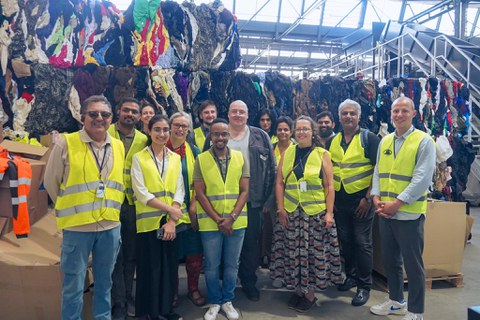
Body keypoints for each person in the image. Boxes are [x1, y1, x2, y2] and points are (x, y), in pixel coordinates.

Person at [44, 95, 125, 319]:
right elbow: (51, 183)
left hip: (109, 227)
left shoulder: (117, 146)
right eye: (93, 114)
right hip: (78, 228)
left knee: (104, 285)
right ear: (83, 117)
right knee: (73, 287)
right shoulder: (66, 143)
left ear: (111, 118)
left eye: (105, 114)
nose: (99, 118)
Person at [370, 96, 435, 320]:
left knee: (413, 265)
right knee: (391, 261)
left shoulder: (424, 141)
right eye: (396, 111)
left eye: (404, 111)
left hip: (409, 213)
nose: (399, 115)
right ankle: (396, 301)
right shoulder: (385, 141)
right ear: (390, 113)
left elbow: (422, 178)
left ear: (414, 114)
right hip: (385, 213)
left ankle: (416, 311)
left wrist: (397, 203)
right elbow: (379, 171)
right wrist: (375, 196)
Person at [272, 115, 343, 313]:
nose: (302, 132)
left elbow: (329, 186)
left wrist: (329, 213)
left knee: (313, 254)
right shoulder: (287, 153)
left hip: (315, 215)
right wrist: (280, 208)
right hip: (291, 213)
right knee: (292, 252)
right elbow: (279, 182)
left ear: (313, 132)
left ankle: (310, 293)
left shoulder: (322, 154)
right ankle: (298, 289)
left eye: (306, 129)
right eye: (299, 129)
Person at [194, 118, 249, 320]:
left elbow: (245, 191)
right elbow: (200, 193)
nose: (220, 137)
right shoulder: (201, 159)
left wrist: (231, 217)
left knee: (232, 264)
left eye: (224, 134)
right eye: (216, 134)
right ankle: (215, 302)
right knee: (211, 265)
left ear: (228, 136)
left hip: (237, 221)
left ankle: (227, 300)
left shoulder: (240, 158)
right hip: (210, 223)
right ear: (210, 135)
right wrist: (219, 219)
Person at [131, 114, 184, 320]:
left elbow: (179, 189)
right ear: (149, 131)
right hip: (148, 223)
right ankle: (149, 312)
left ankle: (165, 310)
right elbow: (142, 193)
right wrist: (170, 210)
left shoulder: (175, 158)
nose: (162, 134)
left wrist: (172, 220)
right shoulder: (139, 158)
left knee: (169, 268)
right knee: (150, 269)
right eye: (157, 130)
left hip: (170, 224)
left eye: (165, 130)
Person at [327, 99, 380, 307]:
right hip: (341, 202)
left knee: (362, 243)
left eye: (352, 113)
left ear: (358, 116)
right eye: (344, 114)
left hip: (362, 202)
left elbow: (379, 170)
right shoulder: (333, 140)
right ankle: (350, 276)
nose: (348, 117)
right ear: (339, 117)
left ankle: (364, 286)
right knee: (346, 241)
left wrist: (368, 198)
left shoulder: (370, 139)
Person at [227, 100, 276, 302]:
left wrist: (268, 200)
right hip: (225, 200)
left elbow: (272, 170)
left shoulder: (260, 136)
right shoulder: (219, 133)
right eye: (234, 111)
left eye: (242, 112)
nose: (238, 115)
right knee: (226, 242)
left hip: (253, 200)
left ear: (247, 115)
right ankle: (226, 282)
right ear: (228, 114)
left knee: (250, 244)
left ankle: (248, 281)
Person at [109, 98, 148, 319]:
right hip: (110, 204)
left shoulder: (143, 139)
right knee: (115, 255)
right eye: (126, 110)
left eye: (134, 112)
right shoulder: (106, 133)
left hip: (133, 205)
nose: (130, 114)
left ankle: (125, 296)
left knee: (131, 255)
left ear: (139, 116)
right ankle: (118, 303)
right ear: (118, 111)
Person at [167, 112, 206, 307]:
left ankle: (193, 288)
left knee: (194, 253)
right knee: (170, 255)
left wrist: (194, 204)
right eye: (177, 125)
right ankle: (171, 291)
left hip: (190, 213)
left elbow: (201, 182)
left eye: (184, 126)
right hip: (167, 213)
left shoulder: (194, 151)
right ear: (170, 125)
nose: (180, 129)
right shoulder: (159, 148)